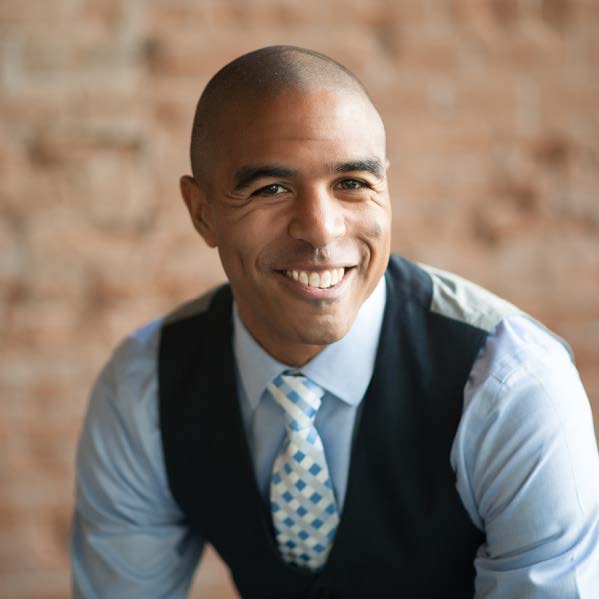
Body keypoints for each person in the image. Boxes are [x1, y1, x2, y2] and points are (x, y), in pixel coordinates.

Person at [71, 46, 599, 598]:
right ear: (202, 212)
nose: (321, 231)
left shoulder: (509, 388)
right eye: (270, 189)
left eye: (352, 182)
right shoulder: (146, 388)